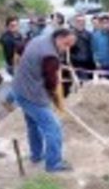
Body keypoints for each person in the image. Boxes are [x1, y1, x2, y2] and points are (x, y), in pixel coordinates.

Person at [9, 28, 76, 173]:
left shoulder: (38, 39)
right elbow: (51, 84)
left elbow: (19, 48)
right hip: (33, 94)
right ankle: (54, 163)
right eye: (66, 44)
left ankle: (36, 155)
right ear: (59, 38)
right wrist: (57, 101)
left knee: (33, 125)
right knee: (53, 128)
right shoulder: (50, 55)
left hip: (19, 89)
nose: (67, 48)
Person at [70, 14, 94, 81]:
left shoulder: (89, 34)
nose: (80, 23)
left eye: (82, 21)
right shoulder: (70, 34)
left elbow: (92, 49)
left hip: (89, 64)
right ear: (74, 22)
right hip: (76, 63)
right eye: (78, 21)